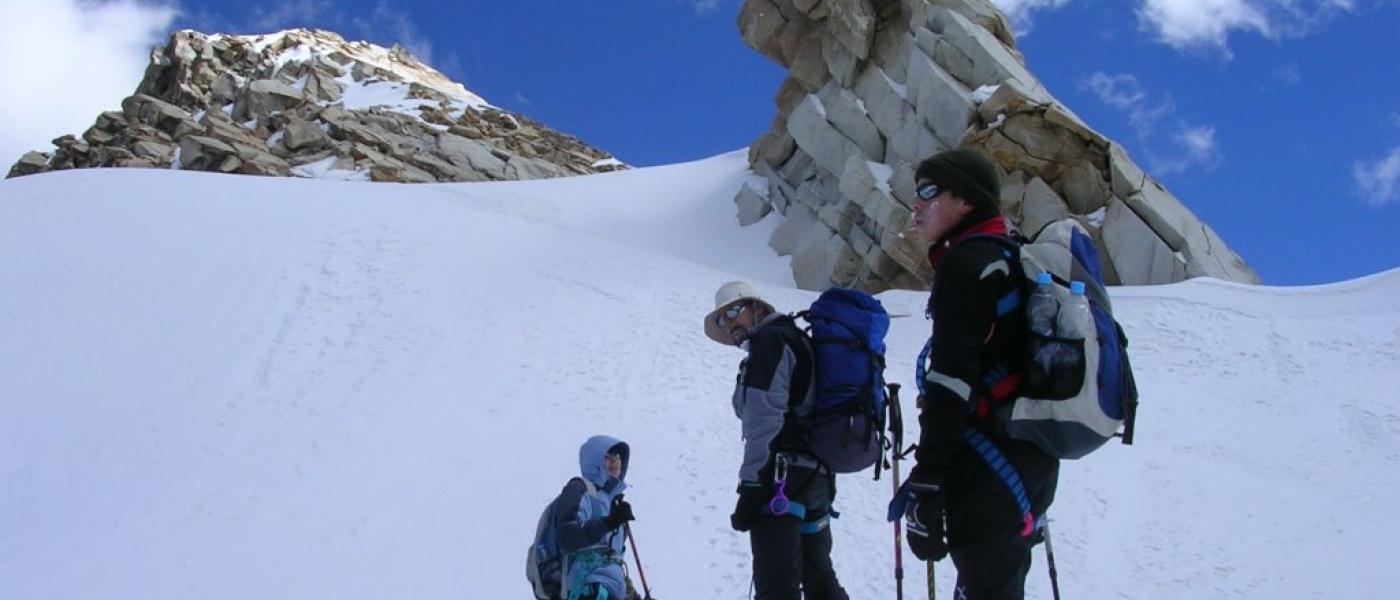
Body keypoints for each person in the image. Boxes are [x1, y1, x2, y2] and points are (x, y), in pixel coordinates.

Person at [895, 149, 1060, 600]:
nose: (916, 204)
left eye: (928, 191)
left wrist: (928, 481)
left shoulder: (968, 263)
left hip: (986, 468)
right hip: (1031, 461)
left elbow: (950, 382)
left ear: (966, 201)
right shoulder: (1013, 256)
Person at [705, 281, 849, 600]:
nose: (729, 323)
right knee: (819, 579)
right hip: (816, 479)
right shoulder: (796, 338)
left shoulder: (770, 342)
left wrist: (751, 486)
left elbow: (763, 419)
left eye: (733, 311)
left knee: (777, 588)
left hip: (782, 480)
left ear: (758, 308)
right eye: (721, 320)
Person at [551, 435, 644, 600]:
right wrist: (608, 523)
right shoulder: (580, 490)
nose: (613, 462)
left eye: (617, 457)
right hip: (586, 588)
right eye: (607, 457)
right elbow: (567, 537)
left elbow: (612, 561)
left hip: (610, 591)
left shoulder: (614, 505)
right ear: (593, 460)